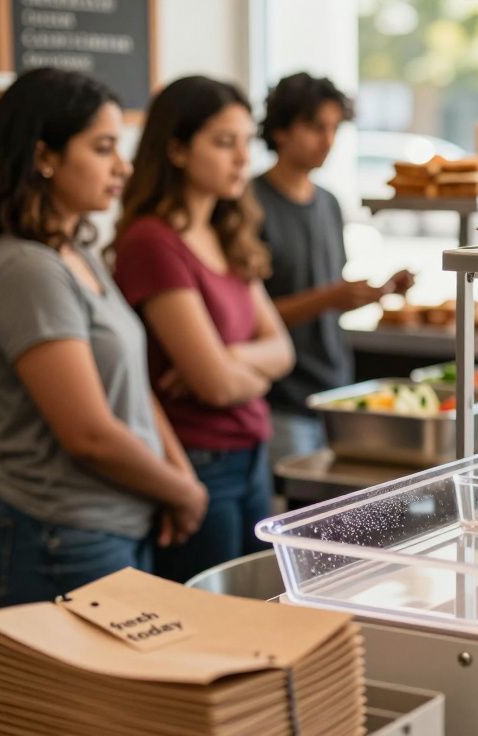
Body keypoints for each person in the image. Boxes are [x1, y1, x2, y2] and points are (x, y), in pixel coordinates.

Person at [0, 68, 206, 605]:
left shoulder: (75, 252)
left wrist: (179, 480)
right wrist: (182, 489)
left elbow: (132, 388)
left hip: (113, 524)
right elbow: (87, 432)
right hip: (60, 537)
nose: (123, 166)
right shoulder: (28, 268)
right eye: (103, 148)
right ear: (45, 157)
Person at [113, 76, 294, 584]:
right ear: (175, 148)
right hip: (198, 465)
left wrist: (224, 358)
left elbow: (283, 350)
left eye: (245, 143)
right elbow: (215, 385)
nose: (242, 159)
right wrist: (225, 368)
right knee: (212, 631)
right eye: (222, 142)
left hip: (251, 451)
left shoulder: (225, 230)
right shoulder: (152, 242)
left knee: (257, 616)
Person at [253, 72, 412, 464]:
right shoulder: (249, 205)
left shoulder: (328, 203)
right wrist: (330, 296)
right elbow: (245, 320)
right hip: (281, 399)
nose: (327, 140)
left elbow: (327, 294)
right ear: (280, 130)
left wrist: (380, 291)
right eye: (314, 127)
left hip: (335, 389)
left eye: (333, 128)